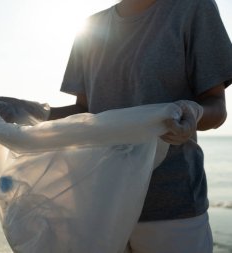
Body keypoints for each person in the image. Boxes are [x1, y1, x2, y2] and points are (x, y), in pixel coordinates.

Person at [48, 0, 232, 252]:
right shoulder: (91, 26)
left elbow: (216, 106)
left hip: (171, 206)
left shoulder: (193, 8)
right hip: (99, 206)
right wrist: (34, 113)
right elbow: (85, 113)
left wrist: (195, 114)